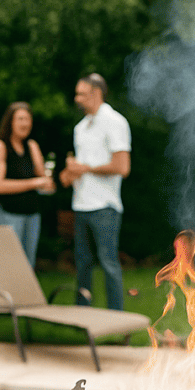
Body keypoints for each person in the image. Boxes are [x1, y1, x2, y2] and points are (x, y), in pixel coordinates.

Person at [58, 72, 131, 311]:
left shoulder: (115, 122)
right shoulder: (81, 127)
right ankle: (84, 319)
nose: (77, 98)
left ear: (97, 93)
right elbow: (82, 167)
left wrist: (85, 169)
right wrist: (70, 173)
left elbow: (122, 167)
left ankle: (117, 321)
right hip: (81, 205)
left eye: (82, 94)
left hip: (105, 207)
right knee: (82, 266)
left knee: (109, 264)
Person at [0, 101, 55, 266]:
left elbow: (45, 181)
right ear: (10, 122)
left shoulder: (32, 146)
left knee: (28, 264)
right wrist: (34, 183)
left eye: (27, 119)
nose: (25, 123)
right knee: (11, 264)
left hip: (32, 214)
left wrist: (46, 180)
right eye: (20, 119)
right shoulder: (0, 146)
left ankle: (25, 293)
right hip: (10, 215)